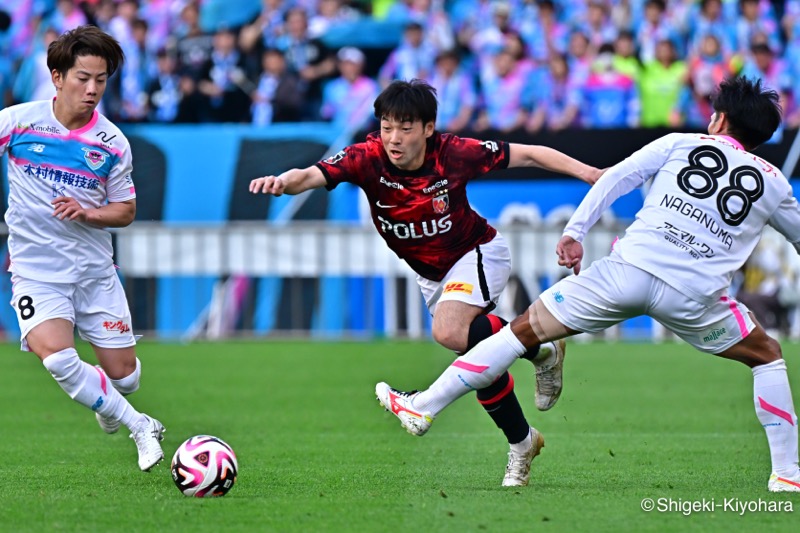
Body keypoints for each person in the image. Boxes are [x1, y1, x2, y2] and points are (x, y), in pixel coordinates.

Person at [376, 76, 800, 493]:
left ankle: (424, 406)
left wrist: (574, 233)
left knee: (520, 331)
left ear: (719, 120)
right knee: (766, 355)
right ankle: (786, 474)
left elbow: (614, 179)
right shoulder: (776, 183)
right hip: (695, 296)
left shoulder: (680, 143)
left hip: (627, 271)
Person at [250, 79, 603, 487]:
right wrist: (282, 181)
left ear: (428, 128)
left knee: (450, 332)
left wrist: (589, 172)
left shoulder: (453, 153)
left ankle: (525, 357)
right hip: (432, 276)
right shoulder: (365, 158)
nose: (393, 138)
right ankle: (524, 435)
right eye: (386, 126)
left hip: (478, 254)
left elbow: (528, 154)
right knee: (478, 355)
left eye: (405, 127)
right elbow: (310, 175)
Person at [0, 25, 165, 472]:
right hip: (35, 271)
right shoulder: (17, 122)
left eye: (101, 80)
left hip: (93, 271)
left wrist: (87, 213)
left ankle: (110, 400)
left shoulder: (111, 143)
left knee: (125, 378)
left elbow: (126, 211)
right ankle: (141, 427)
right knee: (56, 357)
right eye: (82, 78)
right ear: (57, 76)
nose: (92, 90)